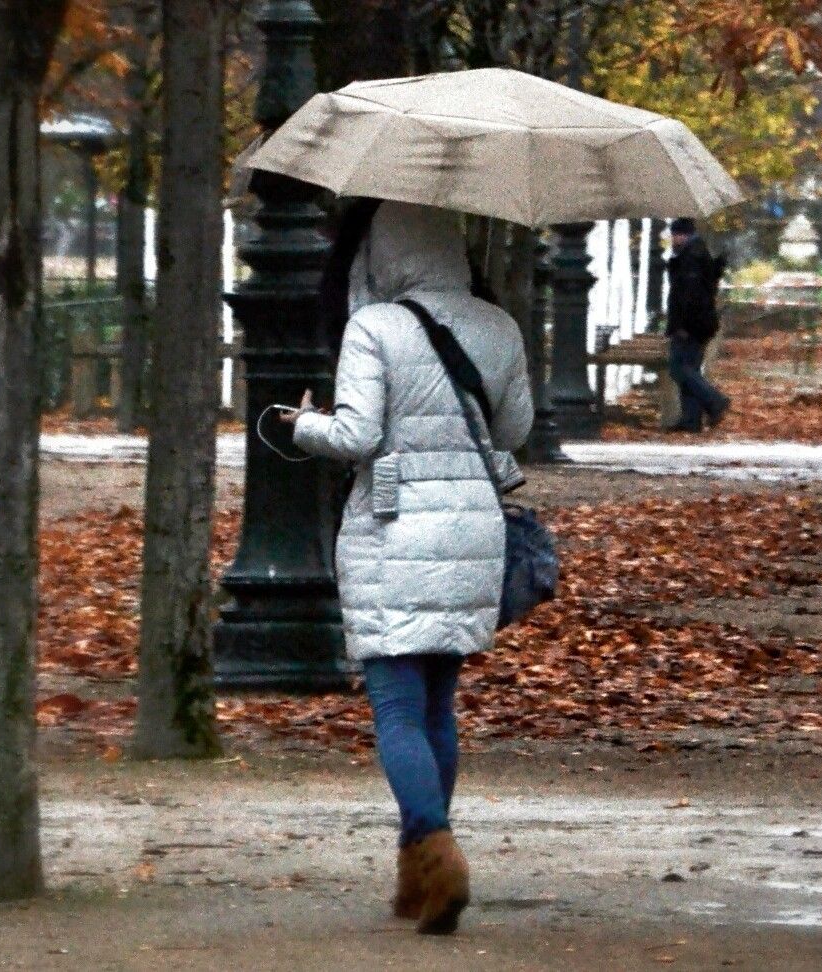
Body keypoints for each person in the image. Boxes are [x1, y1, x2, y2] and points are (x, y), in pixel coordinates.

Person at [281, 200, 533, 935]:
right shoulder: (499, 324)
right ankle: (416, 874)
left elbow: (357, 433)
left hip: (394, 531)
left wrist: (301, 426)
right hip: (471, 534)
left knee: (395, 708)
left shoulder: (376, 325)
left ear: (385, 253)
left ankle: (438, 851)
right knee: (435, 708)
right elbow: (514, 428)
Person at [664, 217, 731, 432]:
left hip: (691, 324)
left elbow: (688, 296)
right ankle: (691, 420)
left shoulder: (690, 257)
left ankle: (714, 400)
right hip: (701, 322)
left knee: (678, 368)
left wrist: (682, 325)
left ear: (682, 234)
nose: (672, 239)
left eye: (675, 234)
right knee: (689, 366)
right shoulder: (697, 254)